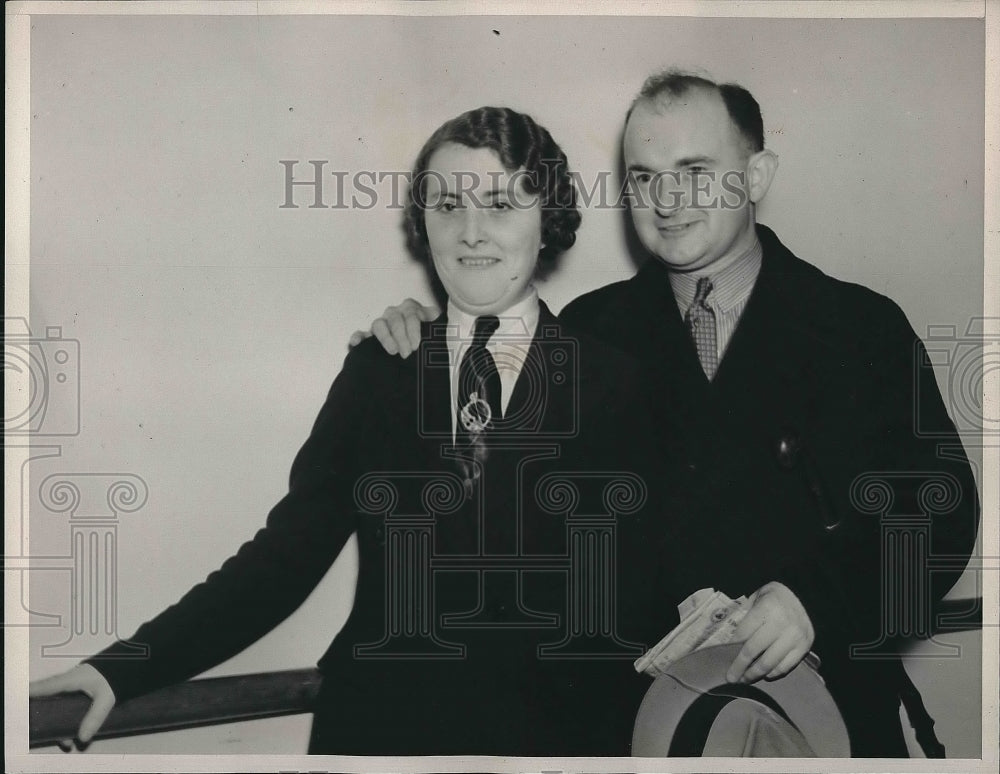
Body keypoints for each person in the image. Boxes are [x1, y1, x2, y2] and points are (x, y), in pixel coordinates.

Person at [361, 71, 980, 757]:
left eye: (694, 171)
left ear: (755, 175)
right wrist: (435, 339)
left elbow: (941, 508)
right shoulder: (584, 334)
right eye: (645, 177)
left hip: (821, 716)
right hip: (636, 731)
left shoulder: (859, 325)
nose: (667, 200)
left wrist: (817, 600)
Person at [29, 106, 668, 755]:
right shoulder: (378, 370)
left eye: (501, 204)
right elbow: (284, 558)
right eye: (448, 205)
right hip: (376, 735)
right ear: (424, 223)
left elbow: (636, 600)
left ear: (547, 217)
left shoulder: (611, 382)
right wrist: (123, 666)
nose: (472, 232)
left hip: (547, 746)